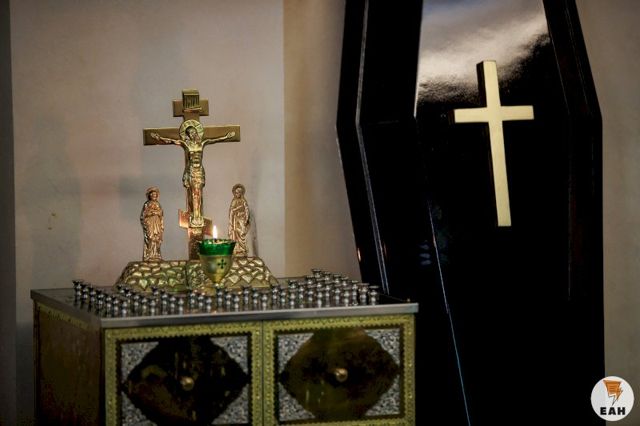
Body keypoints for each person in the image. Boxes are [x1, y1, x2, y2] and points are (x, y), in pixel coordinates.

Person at [150, 121, 235, 227]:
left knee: (198, 193)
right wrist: (159, 138)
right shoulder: (186, 144)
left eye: (194, 132)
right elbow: (171, 141)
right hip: (191, 171)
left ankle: (198, 216)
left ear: (197, 132)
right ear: (188, 136)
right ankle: (195, 217)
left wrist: (226, 137)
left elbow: (215, 140)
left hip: (199, 171)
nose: (193, 134)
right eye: (190, 133)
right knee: (194, 193)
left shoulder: (202, 143)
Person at [140, 187, 164, 261]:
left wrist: (157, 213)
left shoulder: (158, 204)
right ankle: (149, 255)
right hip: (150, 223)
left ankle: (156, 254)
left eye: (155, 194)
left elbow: (161, 214)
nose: (154, 196)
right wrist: (152, 213)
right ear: (150, 195)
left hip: (157, 223)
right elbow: (143, 215)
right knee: (150, 238)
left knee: (157, 238)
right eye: (152, 194)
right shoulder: (147, 204)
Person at [228, 183, 250, 256]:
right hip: (235, 221)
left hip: (242, 220)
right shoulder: (234, 201)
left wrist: (246, 219)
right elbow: (231, 210)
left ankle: (243, 249)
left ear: (241, 193)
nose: (237, 194)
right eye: (236, 193)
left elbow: (246, 210)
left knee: (241, 234)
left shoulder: (243, 201)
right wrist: (237, 209)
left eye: (239, 193)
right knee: (235, 234)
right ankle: (237, 249)